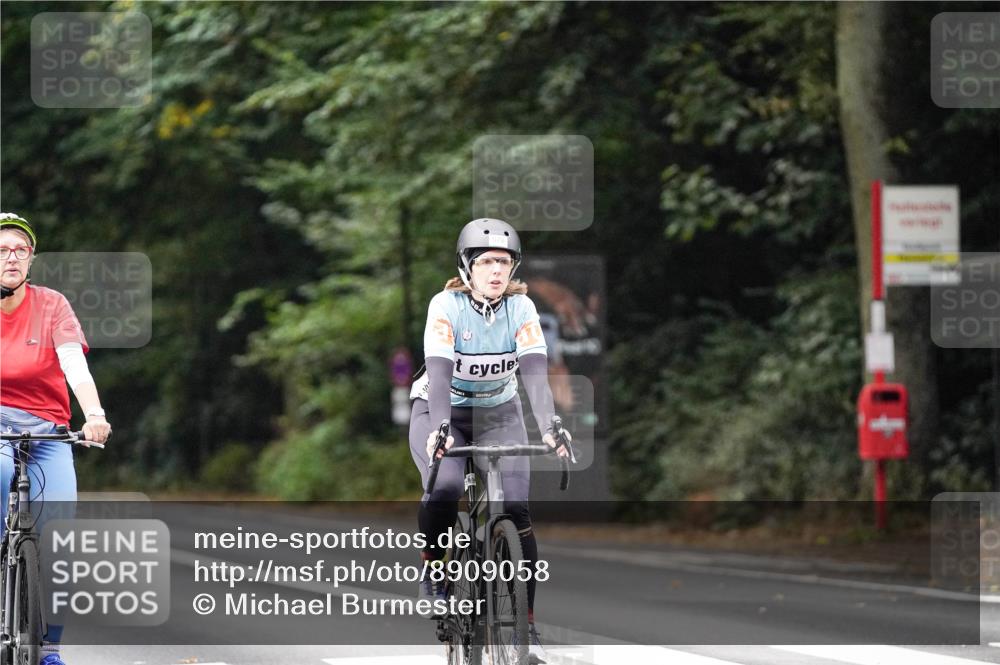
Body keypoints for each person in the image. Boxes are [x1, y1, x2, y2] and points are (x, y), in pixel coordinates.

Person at [408, 218, 571, 665]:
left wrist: (551, 425)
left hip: (499, 413)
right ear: (467, 267)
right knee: (445, 486)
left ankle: (528, 629)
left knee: (516, 509)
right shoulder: (446, 306)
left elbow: (535, 374)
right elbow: (439, 375)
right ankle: (435, 573)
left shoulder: (521, 310)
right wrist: (441, 428)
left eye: (505, 262)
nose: (497, 271)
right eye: (487, 262)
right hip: (442, 411)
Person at [0, 212, 112, 665]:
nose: (12, 257)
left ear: (32, 259)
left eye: (20, 250)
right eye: (2, 250)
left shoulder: (51, 305)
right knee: (1, 468)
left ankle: (49, 648)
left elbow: (73, 363)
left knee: (61, 537)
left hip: (47, 430)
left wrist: (95, 413)